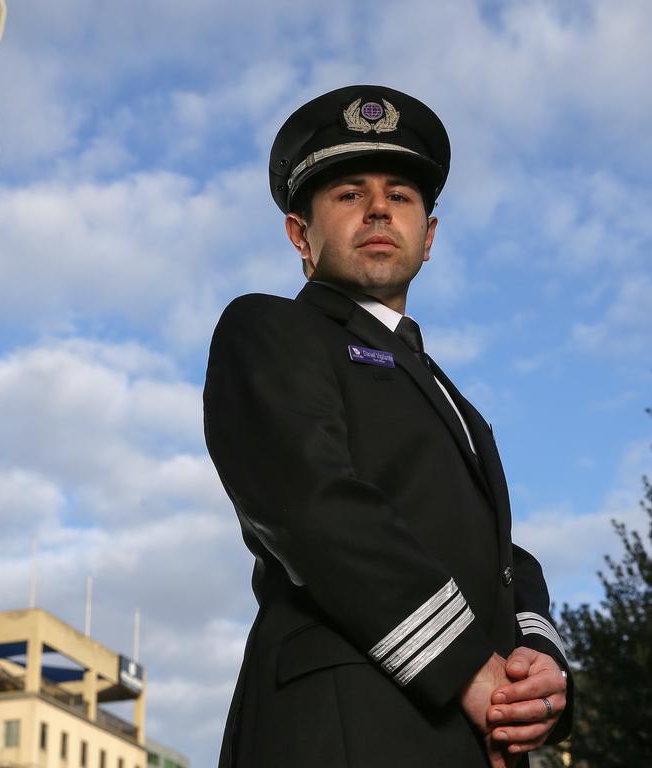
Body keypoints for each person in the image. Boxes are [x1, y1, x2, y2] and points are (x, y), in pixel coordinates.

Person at [203, 85, 573, 767]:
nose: (378, 207)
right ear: (300, 235)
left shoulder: (456, 404)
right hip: (344, 728)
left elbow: (506, 564)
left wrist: (539, 667)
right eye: (348, 193)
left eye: (401, 196)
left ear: (428, 238)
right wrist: (469, 668)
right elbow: (310, 504)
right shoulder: (270, 329)